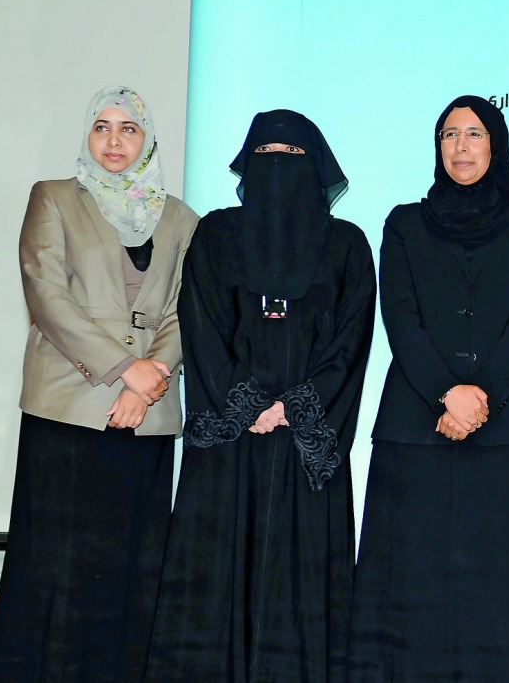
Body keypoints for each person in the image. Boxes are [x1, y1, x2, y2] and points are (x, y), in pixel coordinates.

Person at [145, 110, 375, 682]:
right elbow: (200, 326)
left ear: (317, 166)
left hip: (305, 450)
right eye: (267, 152)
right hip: (230, 445)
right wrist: (245, 405)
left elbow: (352, 342)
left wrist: (295, 407)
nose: (280, 167)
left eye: (294, 156)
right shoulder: (218, 234)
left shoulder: (346, 244)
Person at [0, 87, 198, 682]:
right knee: (55, 563)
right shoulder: (53, 199)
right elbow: (47, 295)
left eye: (129, 129)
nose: (113, 140)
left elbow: (187, 311)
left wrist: (144, 384)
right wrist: (124, 369)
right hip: (68, 411)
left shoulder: (181, 218)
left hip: (146, 417)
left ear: (147, 139)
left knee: (132, 563)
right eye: (102, 126)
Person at [348, 95, 509, 682]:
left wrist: (480, 395)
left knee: (496, 594)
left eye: (474, 134)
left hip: (504, 435)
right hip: (415, 430)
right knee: (409, 586)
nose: (461, 147)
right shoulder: (403, 224)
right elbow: (402, 319)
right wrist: (448, 393)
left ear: (497, 145)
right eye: (449, 135)